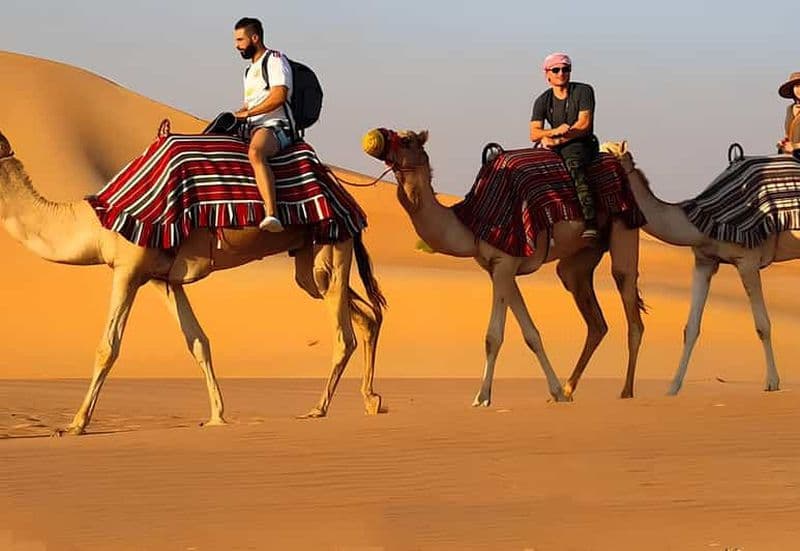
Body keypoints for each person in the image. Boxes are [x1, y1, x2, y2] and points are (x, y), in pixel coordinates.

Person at [233, 17, 295, 232]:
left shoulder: (275, 60)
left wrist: (249, 113)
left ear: (255, 38)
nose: (236, 45)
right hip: (252, 125)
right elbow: (251, 103)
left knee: (256, 152)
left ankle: (272, 213)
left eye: (240, 40)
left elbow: (279, 96)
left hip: (275, 125)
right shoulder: (249, 71)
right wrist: (237, 115)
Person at [530, 52, 599, 239]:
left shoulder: (584, 91)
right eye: (556, 69)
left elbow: (583, 124)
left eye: (565, 69)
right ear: (547, 74)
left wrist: (559, 139)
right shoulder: (543, 100)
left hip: (581, 143)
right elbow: (534, 133)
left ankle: (590, 220)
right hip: (555, 144)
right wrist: (552, 133)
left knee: (573, 165)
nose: (561, 73)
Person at [778, 72, 800, 155]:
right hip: (793, 156)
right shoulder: (790, 109)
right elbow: (791, 133)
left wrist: (795, 146)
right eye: (797, 86)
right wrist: (784, 142)